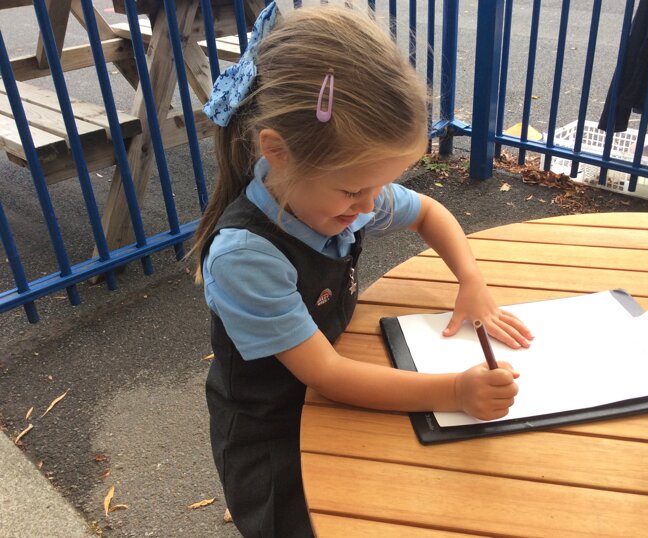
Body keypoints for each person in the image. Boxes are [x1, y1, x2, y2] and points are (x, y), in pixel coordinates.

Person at [190, 3, 532, 537]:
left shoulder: (336, 191)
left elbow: (429, 213)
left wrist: (471, 281)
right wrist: (456, 393)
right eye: (355, 190)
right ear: (278, 152)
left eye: (380, 185)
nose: (371, 206)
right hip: (275, 438)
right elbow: (327, 376)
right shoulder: (247, 257)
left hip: (339, 401)